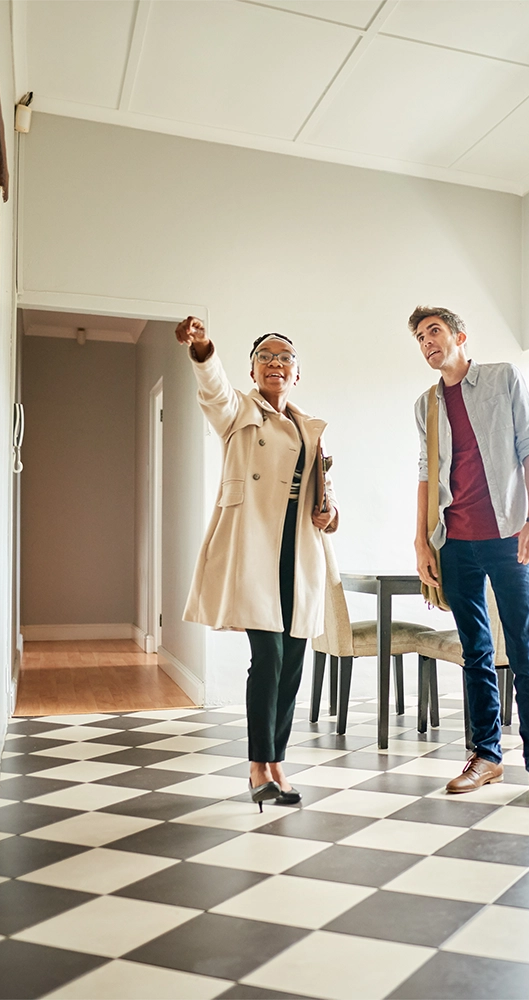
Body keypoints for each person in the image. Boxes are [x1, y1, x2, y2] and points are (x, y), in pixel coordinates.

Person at [176, 317, 338, 810]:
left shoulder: (309, 427)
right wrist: (203, 348)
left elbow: (322, 500)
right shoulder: (237, 412)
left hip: (298, 551)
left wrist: (328, 513)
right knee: (267, 658)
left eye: (284, 357)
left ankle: (277, 762)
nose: (275, 363)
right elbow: (214, 390)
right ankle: (257, 766)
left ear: (297, 374)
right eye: (265, 357)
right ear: (252, 371)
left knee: (292, 662)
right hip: (253, 545)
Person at [411, 306, 529, 807]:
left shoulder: (503, 379)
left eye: (434, 331)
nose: (427, 341)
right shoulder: (425, 405)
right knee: (475, 651)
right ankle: (486, 756)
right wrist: (421, 542)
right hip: (454, 541)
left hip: (506, 535)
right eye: (420, 337)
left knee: (523, 650)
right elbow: (426, 474)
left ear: (459, 336)